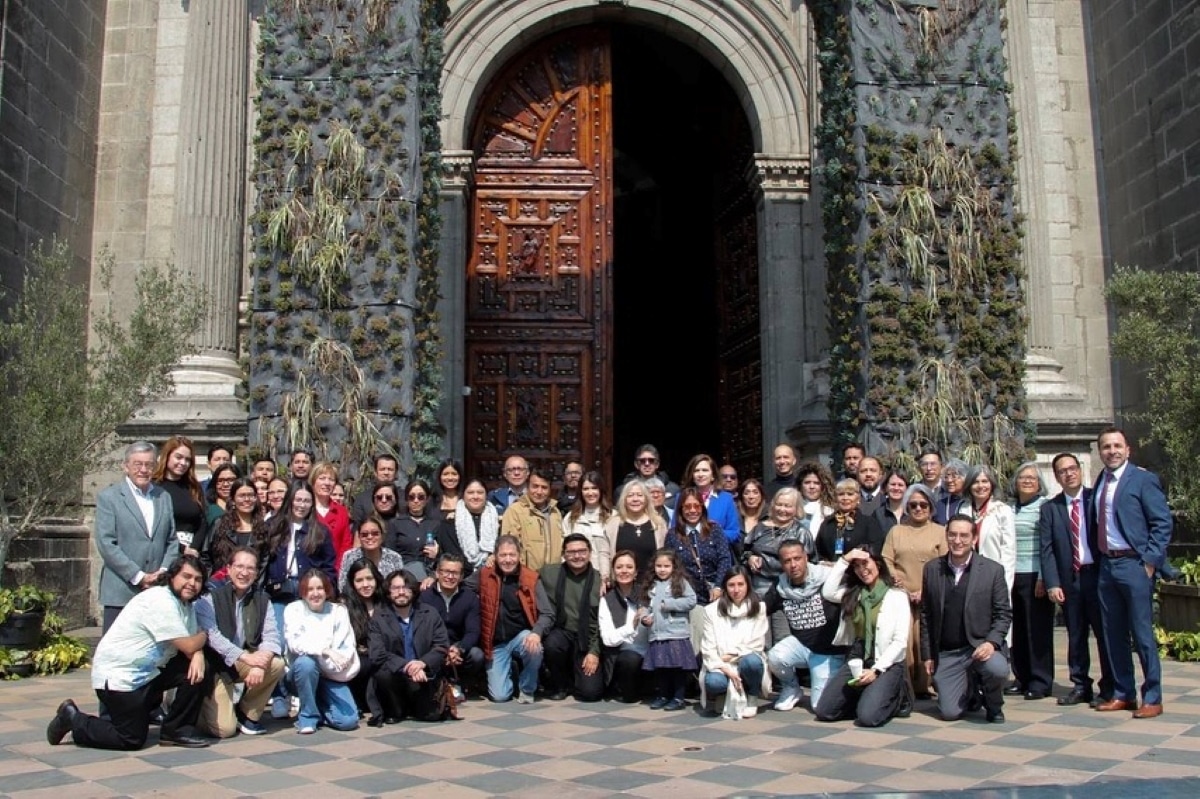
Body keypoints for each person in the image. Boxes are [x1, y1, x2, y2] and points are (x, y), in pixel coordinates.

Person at [47, 555, 213, 750]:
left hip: (148, 674)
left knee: (198, 669)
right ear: (172, 576)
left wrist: (198, 653)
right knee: (130, 739)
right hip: (120, 678)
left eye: (198, 579)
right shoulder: (161, 600)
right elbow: (189, 645)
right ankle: (73, 719)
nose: (192, 583)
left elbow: (191, 645)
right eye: (187, 576)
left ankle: (176, 731)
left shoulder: (186, 605)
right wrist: (202, 638)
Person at [1092, 426, 1172, 718]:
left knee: (1141, 634)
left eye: (1116, 446)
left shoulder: (1142, 479)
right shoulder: (1101, 480)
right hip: (1107, 566)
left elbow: (1162, 523)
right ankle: (1123, 693)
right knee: (1113, 634)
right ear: (1099, 451)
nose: (1111, 451)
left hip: (1134, 565)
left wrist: (1150, 560)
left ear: (1128, 450)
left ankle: (1152, 696)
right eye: (1106, 447)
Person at [921, 515, 1012, 723]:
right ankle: (970, 690)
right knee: (949, 713)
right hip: (948, 651)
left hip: (979, 647)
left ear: (974, 539)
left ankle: (994, 704)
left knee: (997, 669)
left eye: (964, 535)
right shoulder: (932, 569)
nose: (957, 540)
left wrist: (991, 642)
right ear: (946, 536)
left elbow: (1003, 613)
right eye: (952, 534)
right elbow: (926, 614)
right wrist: (927, 654)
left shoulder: (992, 570)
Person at [1039, 452, 1112, 707]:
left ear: (1080, 470)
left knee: (1105, 634)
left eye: (1072, 469)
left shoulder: (1097, 499)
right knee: (1076, 634)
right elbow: (1046, 549)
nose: (1068, 474)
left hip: (1098, 577)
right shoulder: (1050, 508)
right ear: (1057, 477)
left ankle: (1110, 685)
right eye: (1062, 471)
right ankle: (1080, 685)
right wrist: (1052, 583)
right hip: (1070, 580)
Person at [260, 480, 337, 718]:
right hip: (279, 592)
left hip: (307, 592)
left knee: (306, 645)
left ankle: (303, 694)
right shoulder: (273, 526)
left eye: (306, 501)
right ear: (289, 500)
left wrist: (327, 590)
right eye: (298, 499)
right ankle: (280, 695)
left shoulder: (319, 530)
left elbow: (328, 566)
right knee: (280, 644)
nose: (301, 505)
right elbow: (263, 559)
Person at [195, 548, 285, 738]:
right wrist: (247, 658)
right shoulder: (210, 597)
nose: (244, 573)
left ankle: (247, 714)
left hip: (244, 660)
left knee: (277, 664)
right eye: (239, 566)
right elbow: (213, 637)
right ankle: (196, 712)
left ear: (257, 572)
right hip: (217, 665)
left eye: (250, 568)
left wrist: (260, 663)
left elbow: (272, 637)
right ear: (228, 568)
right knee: (224, 730)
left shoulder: (262, 599)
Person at [815, 548, 910, 727]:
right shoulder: (854, 593)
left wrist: (876, 670)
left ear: (878, 564)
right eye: (856, 566)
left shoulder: (897, 596)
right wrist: (845, 559)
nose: (862, 570)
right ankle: (866, 698)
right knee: (825, 711)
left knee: (868, 718)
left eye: (865, 563)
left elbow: (900, 642)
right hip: (857, 657)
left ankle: (897, 698)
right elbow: (827, 592)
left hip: (885, 662)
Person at [94, 441, 180, 633]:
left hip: (157, 590)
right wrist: (138, 576)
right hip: (122, 590)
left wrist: (163, 572)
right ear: (126, 466)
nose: (143, 470)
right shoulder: (109, 498)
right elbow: (106, 543)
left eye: (149, 464)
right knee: (116, 654)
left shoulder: (163, 497)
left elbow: (172, 540)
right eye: (137, 464)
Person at [881, 484, 946, 700]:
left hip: (928, 595)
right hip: (901, 596)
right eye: (913, 505)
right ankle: (905, 687)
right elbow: (886, 559)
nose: (918, 508)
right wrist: (896, 580)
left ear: (931, 506)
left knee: (924, 642)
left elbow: (945, 564)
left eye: (923, 504)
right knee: (904, 643)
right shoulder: (896, 531)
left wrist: (924, 590)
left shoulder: (940, 531)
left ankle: (926, 686)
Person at [764, 541, 846, 711]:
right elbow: (759, 610)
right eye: (787, 561)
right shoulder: (780, 587)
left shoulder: (828, 577)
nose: (793, 565)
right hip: (801, 645)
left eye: (797, 558)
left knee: (819, 706)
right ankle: (791, 687)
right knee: (775, 656)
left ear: (806, 557)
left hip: (828, 651)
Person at [478, 535, 554, 703]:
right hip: (496, 643)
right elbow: (459, 585)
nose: (508, 560)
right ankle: (511, 671)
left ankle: (527, 688)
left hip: (521, 636)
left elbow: (547, 613)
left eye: (512, 555)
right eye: (503, 555)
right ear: (495, 556)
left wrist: (536, 633)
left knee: (534, 647)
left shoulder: (531, 578)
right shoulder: (484, 575)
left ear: (520, 555)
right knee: (500, 696)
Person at [284, 569, 360, 734]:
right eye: (310, 589)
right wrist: (325, 650)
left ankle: (317, 706)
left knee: (348, 721)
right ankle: (307, 717)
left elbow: (345, 648)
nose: (315, 593)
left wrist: (329, 657)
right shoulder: (293, 609)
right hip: (301, 675)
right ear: (303, 592)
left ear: (327, 590)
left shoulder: (339, 611)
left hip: (330, 675)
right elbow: (295, 644)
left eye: (320, 588)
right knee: (306, 663)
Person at [369, 570, 451, 722]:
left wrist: (422, 663)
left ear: (413, 590)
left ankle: (414, 707)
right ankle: (395, 710)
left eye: (406, 587)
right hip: (395, 677)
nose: (401, 592)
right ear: (388, 592)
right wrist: (407, 666)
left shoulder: (429, 613)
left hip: (422, 676)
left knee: (431, 716)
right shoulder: (379, 618)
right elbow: (377, 653)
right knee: (382, 674)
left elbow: (441, 646)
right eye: (396, 588)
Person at [743, 486, 814, 645]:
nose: (783, 509)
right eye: (779, 504)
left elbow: (811, 562)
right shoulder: (759, 528)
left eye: (788, 506)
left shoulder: (801, 532)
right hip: (760, 588)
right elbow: (744, 551)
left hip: (788, 590)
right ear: (773, 505)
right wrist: (750, 557)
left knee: (785, 639)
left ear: (796, 509)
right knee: (761, 640)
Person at [539, 534, 605, 702]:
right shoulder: (549, 573)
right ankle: (560, 684)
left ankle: (577, 678)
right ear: (564, 554)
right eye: (572, 552)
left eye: (582, 551)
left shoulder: (601, 581)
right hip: (563, 634)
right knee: (552, 643)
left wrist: (594, 652)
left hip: (588, 639)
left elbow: (604, 624)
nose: (577, 556)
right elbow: (522, 573)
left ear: (590, 553)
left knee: (590, 693)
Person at [1008, 461, 1054, 700]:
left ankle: (1040, 680)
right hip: (1012, 574)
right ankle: (1022, 676)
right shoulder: (1009, 508)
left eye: (1032, 478)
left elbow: (1049, 544)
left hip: (1035, 575)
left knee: (1037, 629)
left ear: (1039, 484)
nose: (1026, 481)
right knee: (1017, 629)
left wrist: (1045, 577)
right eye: (1022, 477)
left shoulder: (1045, 507)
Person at [699, 566, 769, 717]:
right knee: (714, 682)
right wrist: (726, 669)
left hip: (743, 658)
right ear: (725, 587)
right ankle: (723, 694)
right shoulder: (711, 611)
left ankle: (752, 696)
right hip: (722, 664)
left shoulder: (759, 607)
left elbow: (756, 644)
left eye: (740, 584)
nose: (736, 590)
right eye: (731, 585)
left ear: (748, 585)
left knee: (752, 662)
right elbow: (708, 647)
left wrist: (732, 655)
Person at [640, 548, 698, 711]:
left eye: (666, 566)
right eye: (659, 566)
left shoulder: (680, 582)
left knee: (677, 668)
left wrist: (670, 605)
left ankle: (678, 697)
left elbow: (692, 600)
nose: (662, 569)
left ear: (674, 567)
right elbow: (644, 605)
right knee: (661, 668)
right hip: (657, 634)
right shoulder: (651, 584)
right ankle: (663, 695)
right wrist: (645, 618)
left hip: (676, 633)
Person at [419, 553, 484, 693]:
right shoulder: (424, 597)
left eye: (455, 573)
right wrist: (442, 651)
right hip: (434, 648)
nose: (450, 577)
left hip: (458, 648)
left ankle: (461, 684)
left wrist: (458, 649)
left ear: (461, 577)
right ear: (437, 573)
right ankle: (438, 684)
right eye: (446, 572)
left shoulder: (470, 598)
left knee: (476, 655)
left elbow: (473, 631)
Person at [665, 487, 732, 606]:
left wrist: (718, 586)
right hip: (686, 596)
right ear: (681, 509)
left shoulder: (714, 530)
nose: (692, 510)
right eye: (687, 506)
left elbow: (724, 559)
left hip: (714, 595)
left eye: (696, 506)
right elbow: (669, 565)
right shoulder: (672, 535)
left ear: (702, 508)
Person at [599, 551, 650, 703]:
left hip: (650, 651)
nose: (624, 571)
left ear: (636, 572)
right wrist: (631, 626)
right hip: (624, 655)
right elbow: (608, 639)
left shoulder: (648, 594)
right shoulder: (607, 600)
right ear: (613, 571)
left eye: (629, 567)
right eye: (619, 567)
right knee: (629, 659)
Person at [341, 558, 387, 723]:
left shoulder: (386, 603)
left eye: (369, 579)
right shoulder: (344, 606)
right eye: (359, 580)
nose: (365, 584)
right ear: (352, 583)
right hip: (357, 661)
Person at [153, 435, 209, 558]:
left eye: (188, 459)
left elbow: (202, 521)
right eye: (178, 457)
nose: (183, 463)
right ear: (167, 456)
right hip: (163, 552)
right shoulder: (154, 487)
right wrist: (182, 548)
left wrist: (193, 548)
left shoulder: (194, 487)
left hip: (190, 553)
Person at [964, 465, 1016, 594]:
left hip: (993, 577)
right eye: (976, 482)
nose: (981, 486)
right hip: (966, 576)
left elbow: (1008, 552)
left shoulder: (1002, 511)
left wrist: (1004, 586)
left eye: (985, 481)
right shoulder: (962, 510)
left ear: (992, 484)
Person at [500, 469, 563, 572]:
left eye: (544, 488)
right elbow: (509, 546)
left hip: (553, 576)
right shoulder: (515, 511)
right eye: (535, 486)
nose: (539, 492)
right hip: (527, 576)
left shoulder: (555, 512)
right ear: (528, 487)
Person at [605, 479, 668, 579]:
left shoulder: (659, 524)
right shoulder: (613, 524)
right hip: (622, 583)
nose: (635, 499)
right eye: (630, 495)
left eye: (639, 495)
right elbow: (606, 554)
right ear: (624, 500)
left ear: (646, 499)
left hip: (652, 584)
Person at [438, 477, 499, 578]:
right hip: (461, 578)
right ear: (463, 495)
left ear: (486, 495)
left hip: (492, 576)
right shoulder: (449, 524)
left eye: (480, 492)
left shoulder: (497, 521)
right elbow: (452, 554)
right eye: (470, 492)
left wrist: (494, 556)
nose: (475, 496)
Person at [207, 477, 264, 583]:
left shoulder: (263, 529)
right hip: (221, 586)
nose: (247, 499)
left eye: (251, 495)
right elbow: (206, 556)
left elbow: (263, 565)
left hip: (251, 588)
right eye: (242, 496)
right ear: (233, 499)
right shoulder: (219, 524)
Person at [814, 479, 886, 563]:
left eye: (850, 494)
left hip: (858, 572)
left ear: (858, 498)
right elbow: (818, 552)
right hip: (831, 571)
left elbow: (875, 550)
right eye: (841, 494)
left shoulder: (869, 523)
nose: (845, 498)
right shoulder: (827, 523)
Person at [678, 453, 740, 546]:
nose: (700, 474)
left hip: (717, 554)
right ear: (692, 475)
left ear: (713, 475)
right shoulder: (681, 497)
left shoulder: (726, 499)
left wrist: (712, 534)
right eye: (696, 471)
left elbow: (734, 534)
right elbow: (675, 530)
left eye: (705, 470)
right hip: (688, 554)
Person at [563, 471, 615, 579]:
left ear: (601, 490)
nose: (590, 493)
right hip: (575, 576)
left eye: (594, 488)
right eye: (586, 489)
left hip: (603, 577)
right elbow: (563, 550)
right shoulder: (571, 517)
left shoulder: (613, 517)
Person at [386, 478, 441, 580]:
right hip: (402, 575)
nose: (416, 501)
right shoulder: (396, 524)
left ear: (427, 499)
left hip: (428, 574)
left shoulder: (435, 524)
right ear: (406, 499)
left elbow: (443, 556)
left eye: (421, 497)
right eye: (411, 497)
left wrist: (436, 555)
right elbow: (389, 555)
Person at [337, 514, 405, 595]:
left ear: (382, 536)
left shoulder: (394, 558)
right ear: (359, 537)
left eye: (375, 533)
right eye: (364, 534)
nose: (369, 537)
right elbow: (342, 586)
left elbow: (399, 586)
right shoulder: (349, 556)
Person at [311, 462, 353, 569]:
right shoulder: (306, 509)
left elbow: (346, 544)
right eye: (322, 478)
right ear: (313, 481)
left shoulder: (341, 511)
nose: (327, 483)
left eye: (331, 479)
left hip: (334, 570)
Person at [350, 454, 399, 526]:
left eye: (390, 469)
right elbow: (357, 528)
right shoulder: (362, 499)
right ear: (375, 472)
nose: (386, 473)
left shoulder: (405, 497)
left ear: (396, 473)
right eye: (382, 469)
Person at [796, 461, 836, 535]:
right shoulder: (791, 508)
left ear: (823, 486)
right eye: (807, 482)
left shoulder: (830, 512)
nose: (812, 487)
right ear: (800, 485)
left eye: (816, 483)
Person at [874, 470, 910, 535]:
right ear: (886, 487)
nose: (896, 488)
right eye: (893, 484)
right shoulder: (878, 514)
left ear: (907, 488)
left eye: (900, 485)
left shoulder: (912, 512)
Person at [934, 458, 968, 525]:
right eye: (946, 477)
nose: (949, 480)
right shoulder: (940, 504)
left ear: (965, 477)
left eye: (954, 476)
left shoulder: (972, 502)